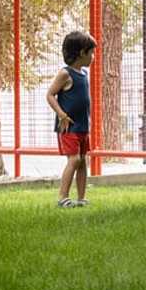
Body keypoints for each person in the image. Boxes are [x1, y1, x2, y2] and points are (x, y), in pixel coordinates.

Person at [46, 30, 97, 208]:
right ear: (82, 53)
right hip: (69, 128)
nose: (93, 57)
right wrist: (62, 115)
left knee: (82, 160)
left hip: (83, 126)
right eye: (91, 53)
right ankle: (63, 197)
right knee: (74, 160)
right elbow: (50, 95)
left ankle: (82, 198)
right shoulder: (65, 74)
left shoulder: (83, 73)